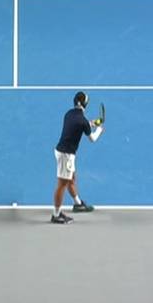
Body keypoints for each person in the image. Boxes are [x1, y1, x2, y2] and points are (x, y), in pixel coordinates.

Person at [51, 91, 103, 224]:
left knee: (72, 178)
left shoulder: (69, 114)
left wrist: (92, 123)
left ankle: (78, 204)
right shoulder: (83, 121)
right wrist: (99, 130)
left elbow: (79, 124)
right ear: (85, 104)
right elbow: (92, 138)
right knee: (62, 185)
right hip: (66, 156)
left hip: (61, 151)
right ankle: (56, 215)